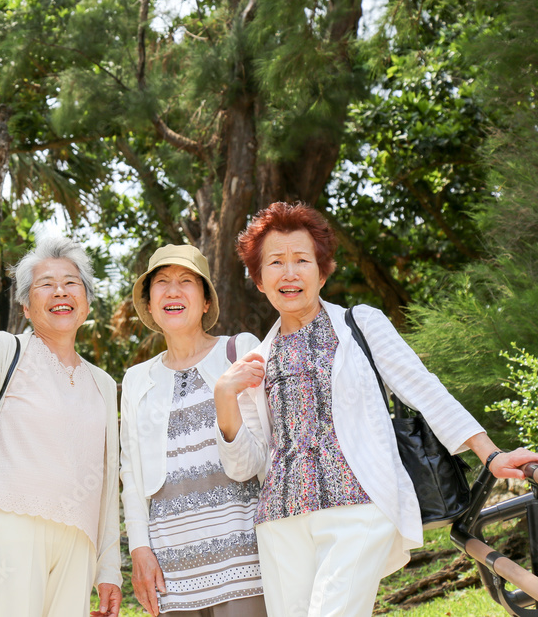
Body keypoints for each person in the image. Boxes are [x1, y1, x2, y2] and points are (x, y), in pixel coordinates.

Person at [213, 201, 538, 617]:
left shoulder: (359, 324)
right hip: (280, 518)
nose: (289, 272)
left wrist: (490, 454)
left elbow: (426, 390)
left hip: (359, 505)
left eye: (302, 260)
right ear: (259, 279)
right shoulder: (258, 360)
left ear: (322, 270)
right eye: (275, 262)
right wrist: (226, 398)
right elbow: (246, 466)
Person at [0, 235, 123, 617]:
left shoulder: (103, 383)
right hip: (10, 524)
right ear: (25, 304)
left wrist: (109, 570)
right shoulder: (4, 349)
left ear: (86, 302)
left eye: (72, 283)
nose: (61, 292)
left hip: (79, 540)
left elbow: (107, 482)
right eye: (46, 284)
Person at [121, 244, 267, 617]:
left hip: (245, 561)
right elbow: (132, 476)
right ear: (150, 305)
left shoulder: (240, 350)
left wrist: (224, 398)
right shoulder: (137, 379)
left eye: (186, 281)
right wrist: (139, 549)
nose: (173, 290)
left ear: (205, 301)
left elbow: (259, 458)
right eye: (162, 283)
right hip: (172, 571)